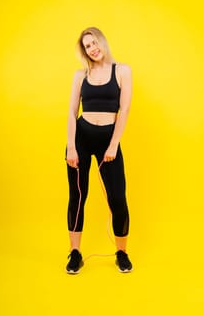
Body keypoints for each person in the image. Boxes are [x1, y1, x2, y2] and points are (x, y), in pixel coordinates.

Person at [65, 27, 133, 274]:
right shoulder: (80, 75)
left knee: (117, 198)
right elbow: (72, 111)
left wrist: (114, 143)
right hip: (81, 137)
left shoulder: (123, 71)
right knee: (78, 196)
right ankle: (75, 253)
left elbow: (123, 110)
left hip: (108, 138)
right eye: (87, 46)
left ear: (102, 41)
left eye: (94, 43)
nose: (92, 48)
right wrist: (71, 146)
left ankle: (121, 253)